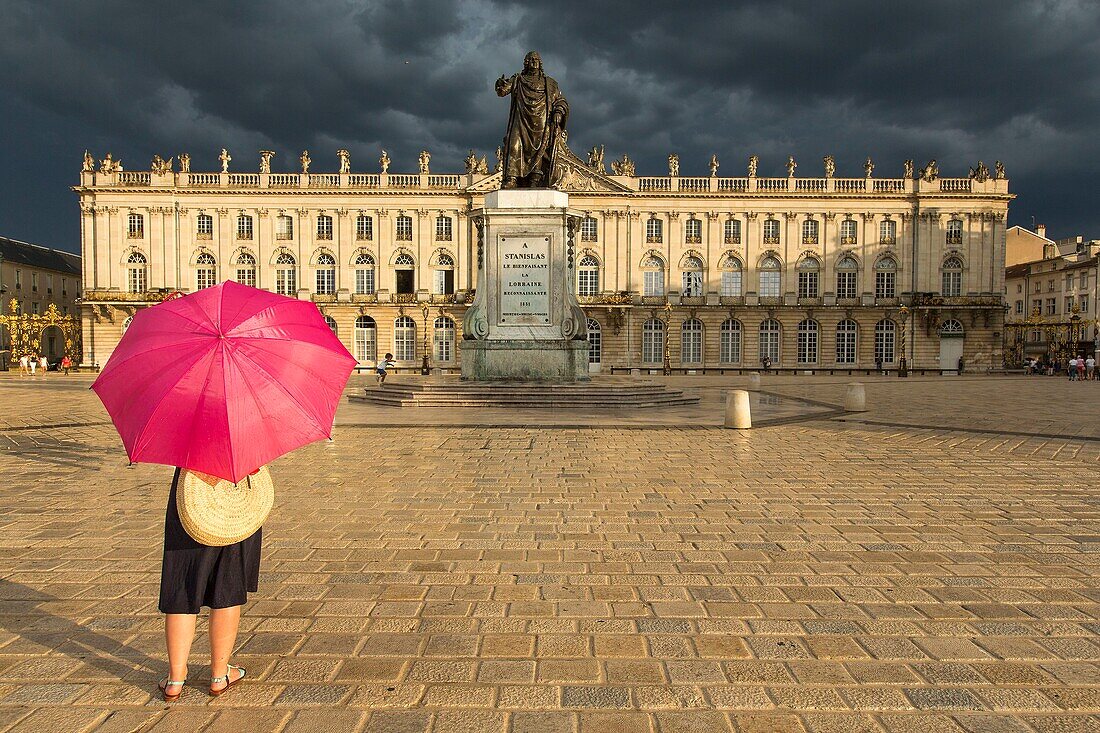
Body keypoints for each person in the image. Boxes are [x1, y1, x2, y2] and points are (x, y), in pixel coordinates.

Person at [158, 467, 259, 702]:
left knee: (182, 582)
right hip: (237, 493)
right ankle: (219, 674)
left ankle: (175, 678)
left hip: (191, 491)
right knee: (228, 583)